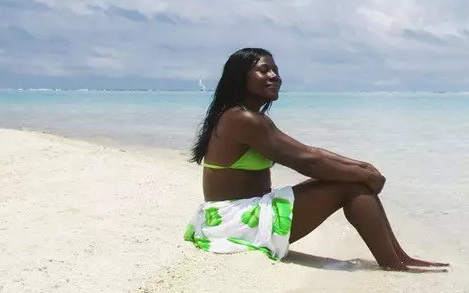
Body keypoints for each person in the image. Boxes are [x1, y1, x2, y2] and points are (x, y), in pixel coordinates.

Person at [182, 47, 446, 272]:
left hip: (239, 215)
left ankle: (399, 258)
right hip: (236, 222)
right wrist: (363, 175)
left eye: (275, 70)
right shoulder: (243, 119)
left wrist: (362, 167)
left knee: (354, 179)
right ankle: (395, 264)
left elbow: (310, 151)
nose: (274, 76)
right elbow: (306, 162)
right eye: (264, 71)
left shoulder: (245, 117)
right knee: (350, 185)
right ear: (241, 78)